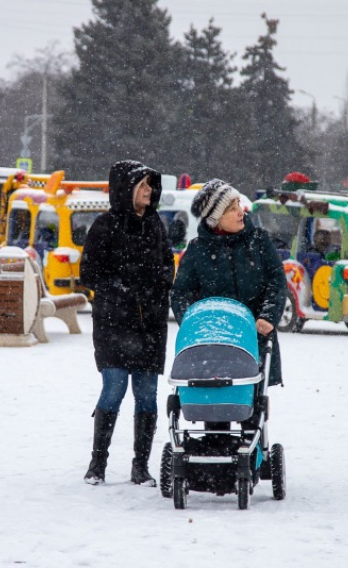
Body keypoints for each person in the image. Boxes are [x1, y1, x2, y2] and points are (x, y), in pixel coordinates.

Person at [79, 160, 174, 487]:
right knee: (114, 389)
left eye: (151, 185)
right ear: (127, 189)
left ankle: (140, 466)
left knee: (147, 395)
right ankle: (97, 463)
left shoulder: (156, 225)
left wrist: (157, 286)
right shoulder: (104, 226)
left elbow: (168, 265)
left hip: (149, 325)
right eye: (143, 185)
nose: (149, 192)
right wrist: (120, 290)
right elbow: (88, 273)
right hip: (113, 324)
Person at [171, 179, 287, 393]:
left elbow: (277, 282)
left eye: (238, 204)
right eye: (232, 208)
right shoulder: (197, 251)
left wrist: (268, 316)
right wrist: (193, 325)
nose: (240, 211)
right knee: (215, 408)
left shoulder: (259, 241)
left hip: (254, 339)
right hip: (212, 343)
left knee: (251, 409)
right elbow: (180, 293)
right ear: (216, 219)